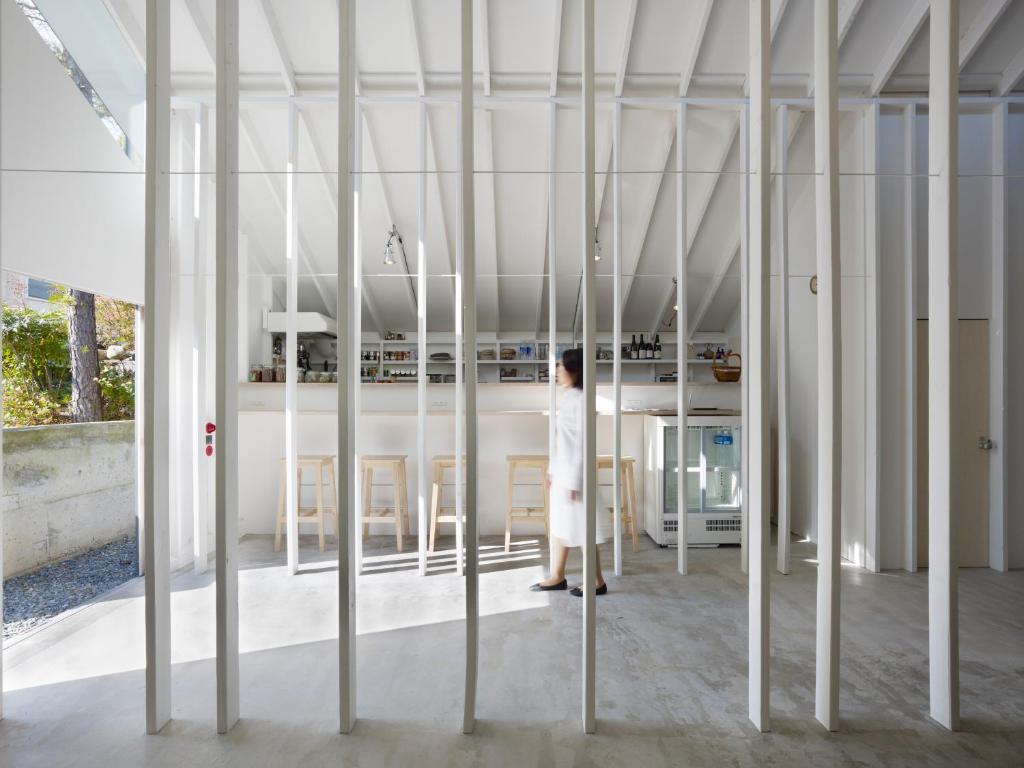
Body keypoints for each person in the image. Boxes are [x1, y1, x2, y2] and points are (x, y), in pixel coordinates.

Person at [530, 348, 607, 596]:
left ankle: (597, 582)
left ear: (574, 371)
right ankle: (557, 576)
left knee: (584, 530)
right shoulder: (569, 396)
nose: (556, 371)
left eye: (561, 366)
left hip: (576, 476)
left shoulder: (583, 399)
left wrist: (574, 482)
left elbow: (582, 444)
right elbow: (562, 439)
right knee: (561, 526)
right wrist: (553, 471)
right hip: (564, 473)